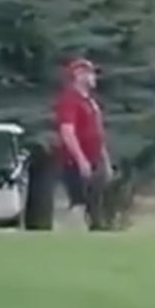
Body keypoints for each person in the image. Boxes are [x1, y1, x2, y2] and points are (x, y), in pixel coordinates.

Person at [54, 58, 111, 230]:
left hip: (94, 159)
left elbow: (97, 133)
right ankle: (69, 231)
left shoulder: (90, 102)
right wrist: (81, 159)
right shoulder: (70, 100)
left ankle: (94, 229)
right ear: (78, 75)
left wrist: (105, 160)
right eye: (90, 73)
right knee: (79, 201)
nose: (94, 77)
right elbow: (67, 131)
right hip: (76, 161)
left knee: (94, 202)